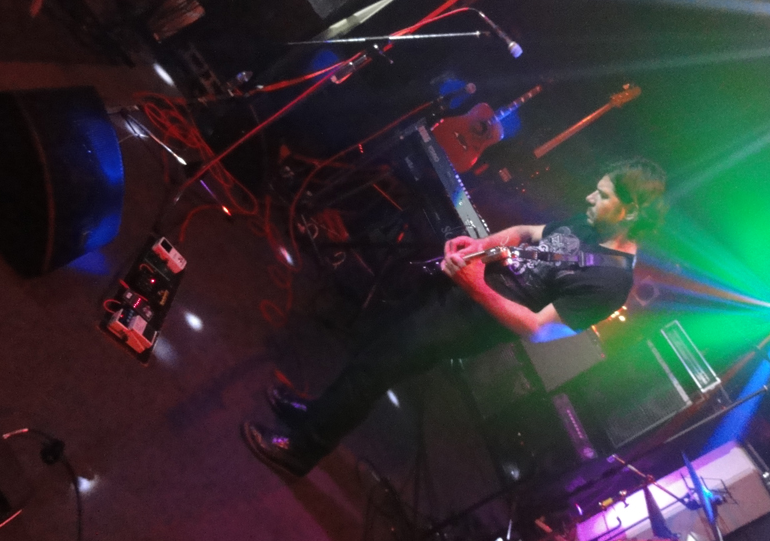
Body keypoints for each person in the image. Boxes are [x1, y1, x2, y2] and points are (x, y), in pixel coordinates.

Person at [242, 158, 668, 477]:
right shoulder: (591, 226)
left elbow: (538, 330)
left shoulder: (610, 281)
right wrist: (481, 247)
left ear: (630, 212)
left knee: (376, 367)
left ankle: (302, 450)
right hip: (460, 292)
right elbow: (527, 234)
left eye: (604, 196)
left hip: (469, 324)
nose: (590, 198)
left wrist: (475, 285)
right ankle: (316, 413)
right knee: (372, 344)